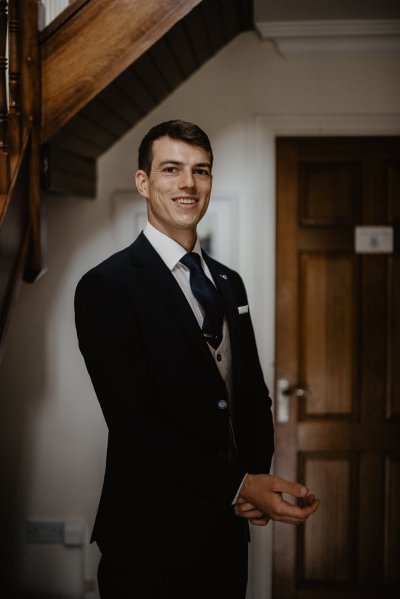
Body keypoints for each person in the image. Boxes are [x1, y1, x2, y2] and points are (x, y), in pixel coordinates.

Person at [74, 120, 319, 599]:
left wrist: (253, 476)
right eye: (172, 169)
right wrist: (240, 484)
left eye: (201, 171)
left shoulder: (230, 283)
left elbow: (251, 394)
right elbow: (133, 421)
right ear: (144, 182)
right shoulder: (107, 286)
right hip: (148, 536)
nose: (189, 183)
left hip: (225, 534)